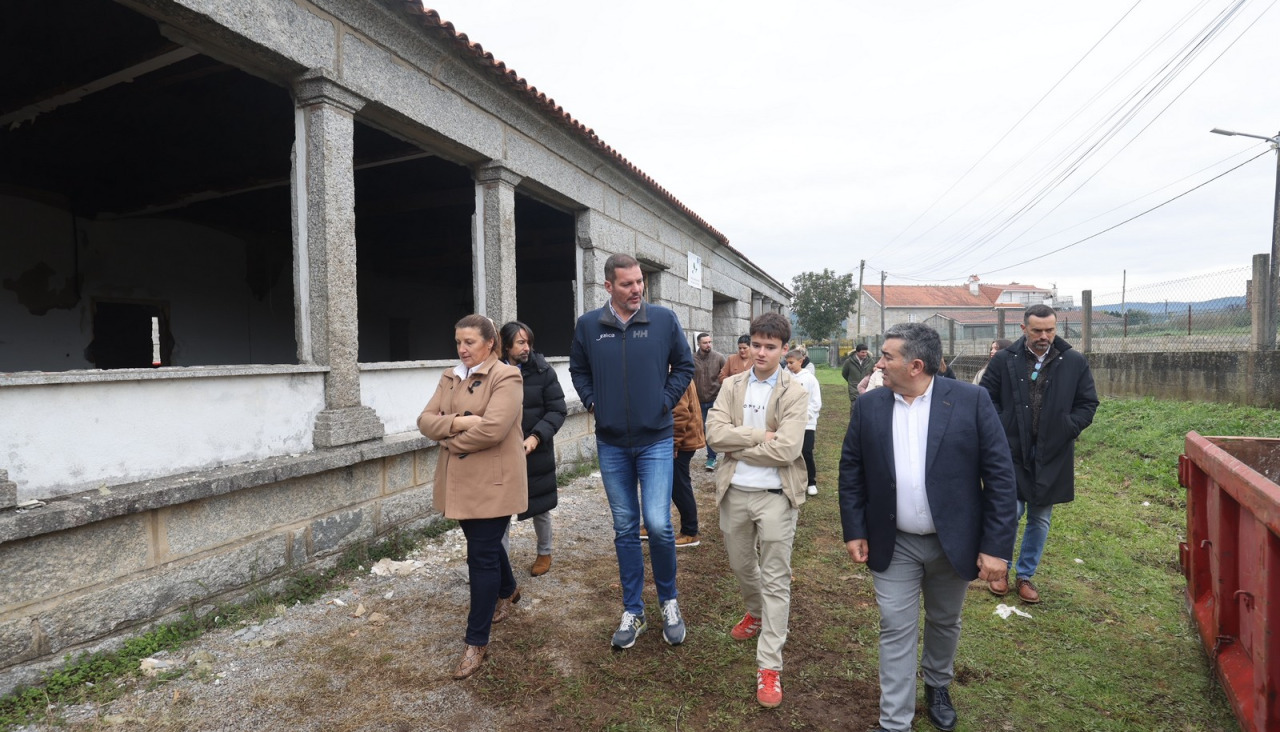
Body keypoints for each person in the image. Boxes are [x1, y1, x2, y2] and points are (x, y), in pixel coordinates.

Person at [839, 322, 1017, 732]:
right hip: (893, 541)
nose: (879, 364)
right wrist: (854, 528)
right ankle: (894, 721)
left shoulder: (971, 401)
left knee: (944, 620)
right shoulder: (869, 405)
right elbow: (852, 470)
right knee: (895, 627)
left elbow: (1001, 477)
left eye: (887, 357)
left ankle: (937, 684)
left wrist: (996, 547)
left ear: (916, 365)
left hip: (953, 540)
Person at [569, 253, 695, 649]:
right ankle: (633, 609)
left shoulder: (663, 320)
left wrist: (664, 401)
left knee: (657, 523)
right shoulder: (590, 326)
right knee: (625, 527)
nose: (637, 289)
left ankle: (669, 601)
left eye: (640, 281)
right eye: (627, 283)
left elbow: (685, 366)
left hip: (655, 439)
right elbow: (578, 370)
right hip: (611, 443)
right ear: (608, 286)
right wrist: (593, 403)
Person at [706, 312, 810, 709]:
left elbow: (788, 449)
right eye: (757, 344)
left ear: (785, 350)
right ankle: (755, 612)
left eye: (771, 346)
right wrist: (758, 436)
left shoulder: (794, 391)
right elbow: (714, 436)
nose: (762, 352)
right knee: (741, 565)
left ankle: (770, 665)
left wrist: (739, 443)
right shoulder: (732, 385)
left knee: (776, 576)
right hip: (734, 491)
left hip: (775, 495)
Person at [418, 314, 527, 680]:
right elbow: (424, 420)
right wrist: (460, 423)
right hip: (459, 480)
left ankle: (475, 641)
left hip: (492, 482)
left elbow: (494, 430)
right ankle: (509, 590)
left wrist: (445, 437)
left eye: (470, 342)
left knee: (480, 556)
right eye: (458, 342)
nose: (463, 349)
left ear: (490, 343)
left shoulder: (506, 376)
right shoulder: (450, 375)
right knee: (484, 542)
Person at [979, 305, 1098, 604]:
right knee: (1012, 511)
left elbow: (1087, 403)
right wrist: (1000, 427)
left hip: (1053, 452)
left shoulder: (1073, 361)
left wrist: (1068, 427)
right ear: (1023, 329)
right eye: (1037, 331)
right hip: (1010, 450)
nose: (1044, 336)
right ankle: (1001, 569)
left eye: (1050, 330)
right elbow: (985, 398)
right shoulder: (1005, 361)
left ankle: (1025, 575)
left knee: (1040, 517)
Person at [499, 321, 567, 577]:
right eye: (520, 343)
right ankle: (500, 565)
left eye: (528, 342)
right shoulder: (494, 372)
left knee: (539, 506)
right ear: (506, 346)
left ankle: (544, 552)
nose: (527, 347)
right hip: (501, 453)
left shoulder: (542, 371)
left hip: (534, 450)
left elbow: (557, 410)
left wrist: (536, 437)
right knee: (500, 511)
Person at [670, 379, 705, 547]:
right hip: (682, 440)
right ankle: (653, 525)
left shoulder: (673, 373)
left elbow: (679, 412)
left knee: (679, 486)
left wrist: (674, 443)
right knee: (668, 485)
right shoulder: (675, 369)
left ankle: (690, 532)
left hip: (682, 442)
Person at [784, 348, 822, 496]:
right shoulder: (785, 377)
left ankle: (811, 482)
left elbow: (815, 402)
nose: (788, 366)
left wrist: (805, 415)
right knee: (791, 451)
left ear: (800, 361)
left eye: (791, 363)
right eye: (787, 363)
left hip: (807, 423)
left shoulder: (810, 379)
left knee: (806, 451)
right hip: (789, 421)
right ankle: (793, 480)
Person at [693, 332, 727, 471]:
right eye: (705, 343)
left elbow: (725, 376)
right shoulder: (691, 359)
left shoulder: (718, 358)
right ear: (698, 344)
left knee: (712, 429)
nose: (708, 345)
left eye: (709, 342)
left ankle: (712, 457)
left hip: (715, 399)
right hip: (698, 400)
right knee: (700, 430)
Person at [842, 343, 873, 411]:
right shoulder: (849, 362)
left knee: (866, 409)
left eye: (866, 352)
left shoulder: (871, 362)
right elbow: (844, 374)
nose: (864, 354)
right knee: (855, 408)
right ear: (857, 352)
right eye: (862, 352)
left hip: (867, 389)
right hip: (854, 389)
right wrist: (851, 382)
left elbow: (872, 373)